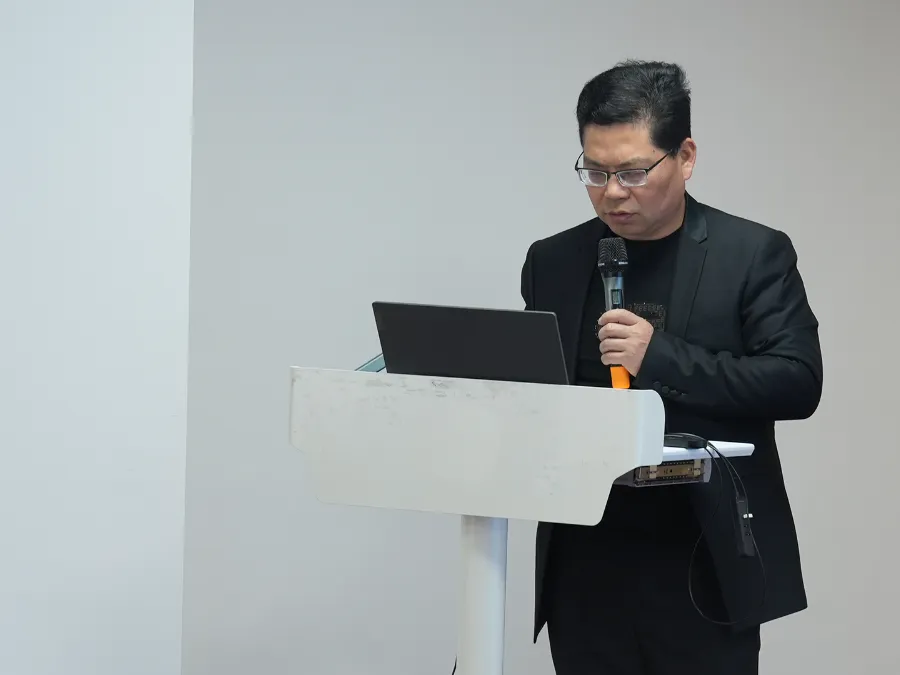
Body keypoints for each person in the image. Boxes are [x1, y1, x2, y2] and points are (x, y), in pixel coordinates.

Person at [520, 60, 823, 675]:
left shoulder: (751, 254)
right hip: (585, 557)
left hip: (701, 557)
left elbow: (797, 381)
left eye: (633, 172)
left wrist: (660, 356)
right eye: (595, 171)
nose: (612, 192)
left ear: (685, 157)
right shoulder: (552, 260)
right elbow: (539, 392)